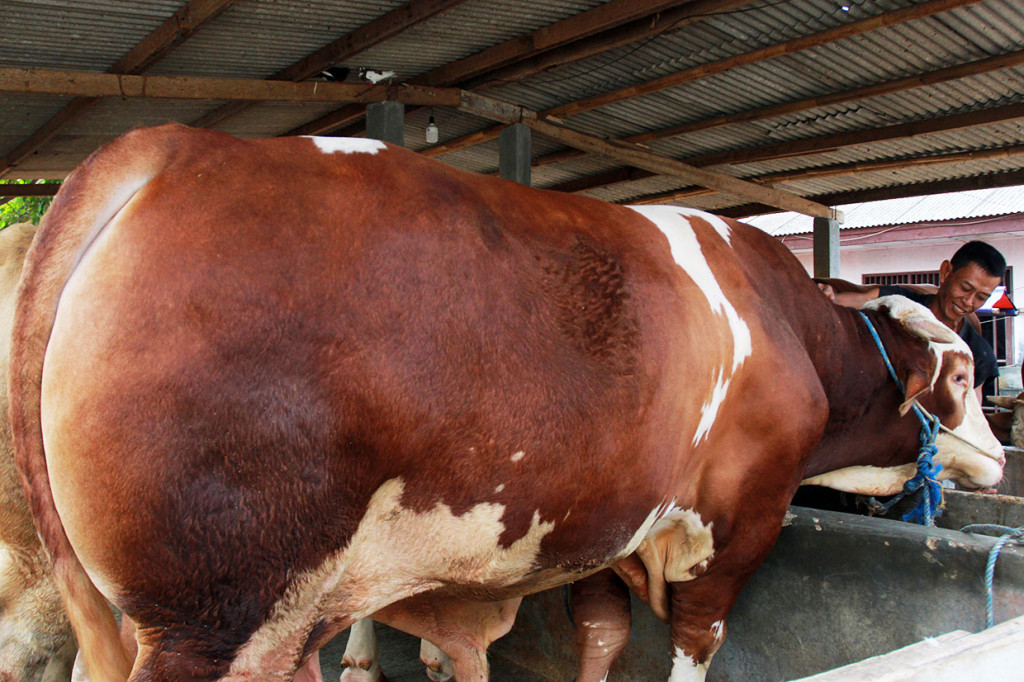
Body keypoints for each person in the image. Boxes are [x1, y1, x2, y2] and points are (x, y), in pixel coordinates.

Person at [819, 240, 1007, 402]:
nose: (968, 301)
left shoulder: (977, 353)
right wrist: (826, 296)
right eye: (965, 287)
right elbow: (847, 301)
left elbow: (971, 414)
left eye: (981, 297)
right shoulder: (898, 302)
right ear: (946, 272)